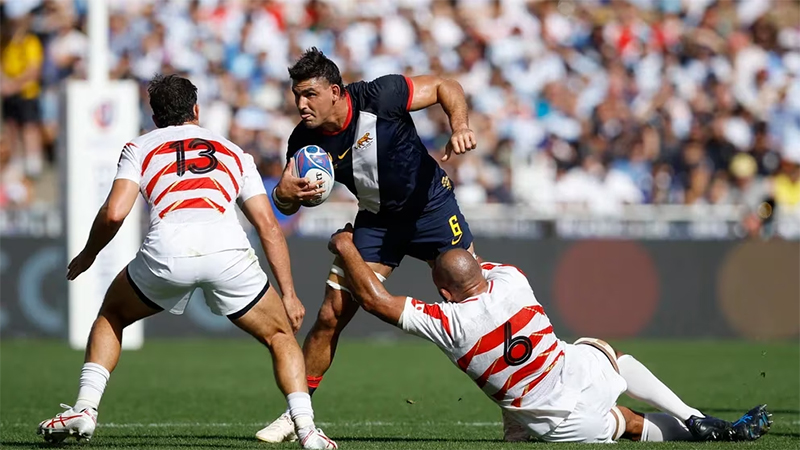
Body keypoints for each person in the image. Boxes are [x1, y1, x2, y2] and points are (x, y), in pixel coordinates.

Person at [36, 75, 337, 450]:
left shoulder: (139, 146)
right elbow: (268, 226)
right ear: (196, 109)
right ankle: (307, 430)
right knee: (280, 336)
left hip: (167, 250)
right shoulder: (233, 152)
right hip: (227, 252)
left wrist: (89, 253)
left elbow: (114, 214)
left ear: (154, 116)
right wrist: (289, 294)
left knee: (112, 315)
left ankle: (85, 408)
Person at [324, 223, 772, 443]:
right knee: (605, 351)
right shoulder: (512, 279)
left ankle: (687, 428)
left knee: (629, 424)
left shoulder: (449, 323)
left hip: (557, 420)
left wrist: (346, 246)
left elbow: (377, 300)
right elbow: (470, 266)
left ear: (443, 292)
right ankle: (693, 415)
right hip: (570, 371)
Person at [260, 47, 478, 442]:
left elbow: (445, 85)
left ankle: (514, 408)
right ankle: (297, 415)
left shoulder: (382, 95)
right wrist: (283, 195)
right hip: (378, 221)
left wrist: (459, 126)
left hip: (431, 208)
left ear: (335, 92)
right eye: (297, 95)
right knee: (330, 314)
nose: (301, 104)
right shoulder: (303, 141)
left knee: (474, 308)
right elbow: (288, 202)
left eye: (309, 94)